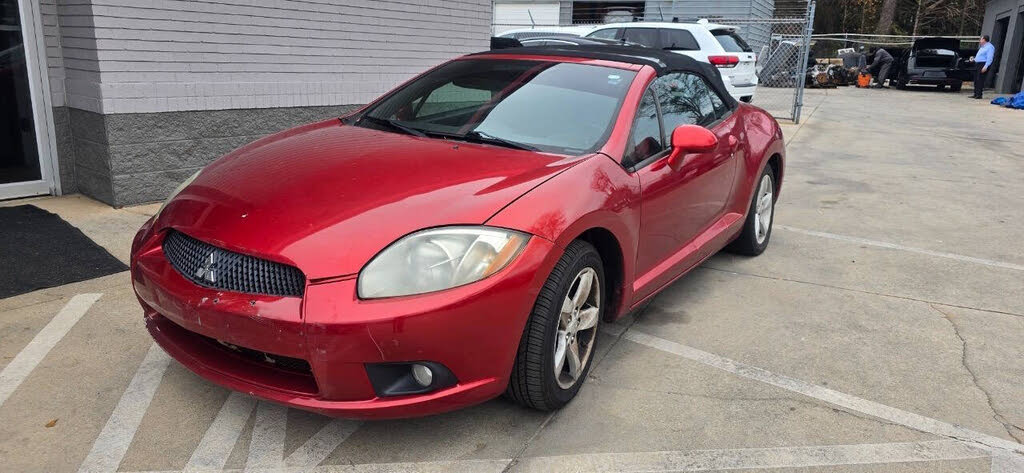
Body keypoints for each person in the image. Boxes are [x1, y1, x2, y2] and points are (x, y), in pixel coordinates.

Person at [972, 35, 995, 99]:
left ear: (984, 40)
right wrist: (974, 59)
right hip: (977, 64)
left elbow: (990, 58)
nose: (980, 41)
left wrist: (986, 66)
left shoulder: (990, 47)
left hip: (983, 64)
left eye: (981, 39)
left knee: (980, 79)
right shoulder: (982, 47)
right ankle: (975, 93)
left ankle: (979, 94)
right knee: (976, 79)